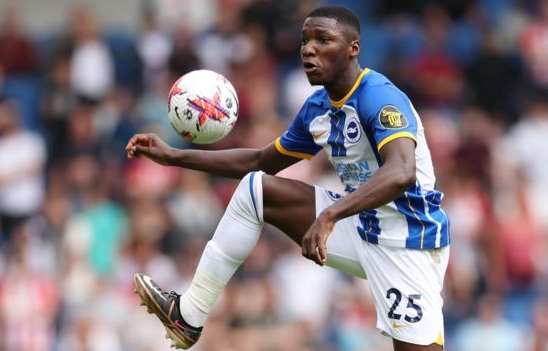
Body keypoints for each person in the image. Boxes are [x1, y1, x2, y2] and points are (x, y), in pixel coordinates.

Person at [127, 6, 450, 351]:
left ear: (353, 48)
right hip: (360, 225)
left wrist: (329, 216)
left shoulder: (378, 96)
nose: (309, 49)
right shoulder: (318, 108)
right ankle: (188, 315)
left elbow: (401, 172)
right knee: (256, 190)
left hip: (408, 242)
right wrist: (174, 157)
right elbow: (259, 160)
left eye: (323, 40)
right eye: (305, 40)